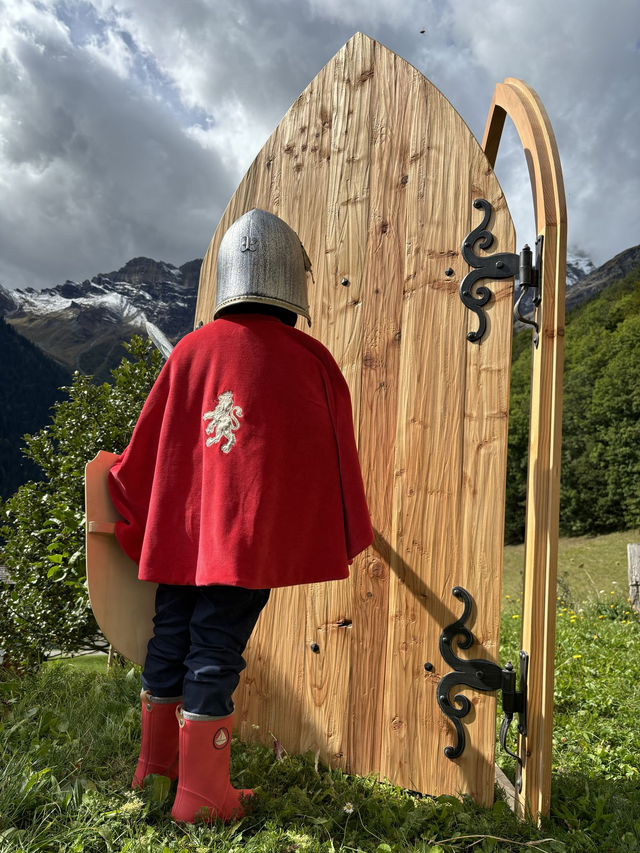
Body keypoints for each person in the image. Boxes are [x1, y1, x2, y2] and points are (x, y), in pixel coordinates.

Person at [107, 209, 373, 824]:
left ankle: (157, 770)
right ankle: (201, 797)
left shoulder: (188, 351)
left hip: (183, 534)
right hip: (246, 543)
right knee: (216, 646)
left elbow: (150, 448)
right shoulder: (311, 360)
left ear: (228, 275)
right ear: (292, 282)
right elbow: (323, 459)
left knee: (171, 633)